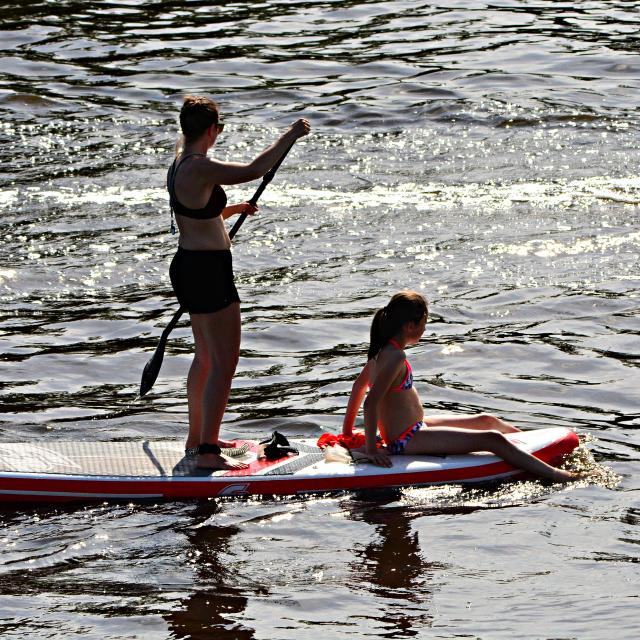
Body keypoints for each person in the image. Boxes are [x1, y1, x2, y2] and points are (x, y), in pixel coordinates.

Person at [168, 95, 310, 470]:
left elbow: (193, 210)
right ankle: (208, 453)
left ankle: (197, 439)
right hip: (208, 269)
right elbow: (254, 168)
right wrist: (290, 136)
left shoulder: (180, 161)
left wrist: (230, 210)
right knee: (224, 362)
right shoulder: (199, 165)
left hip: (189, 264)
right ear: (212, 130)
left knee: (205, 357)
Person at [342, 290, 583, 482]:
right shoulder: (395, 357)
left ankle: (536, 450)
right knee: (491, 438)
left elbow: (357, 388)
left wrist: (347, 432)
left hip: (415, 427)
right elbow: (370, 401)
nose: (425, 329)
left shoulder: (380, 353)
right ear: (410, 326)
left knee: (487, 420)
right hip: (405, 439)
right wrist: (372, 450)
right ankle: (556, 475)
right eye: (424, 323)